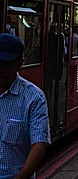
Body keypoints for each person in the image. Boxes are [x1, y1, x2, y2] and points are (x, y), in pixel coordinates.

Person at [0, 33, 51, 178]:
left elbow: (39, 144)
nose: (0, 70)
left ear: (20, 63)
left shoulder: (33, 97)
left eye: (5, 65)